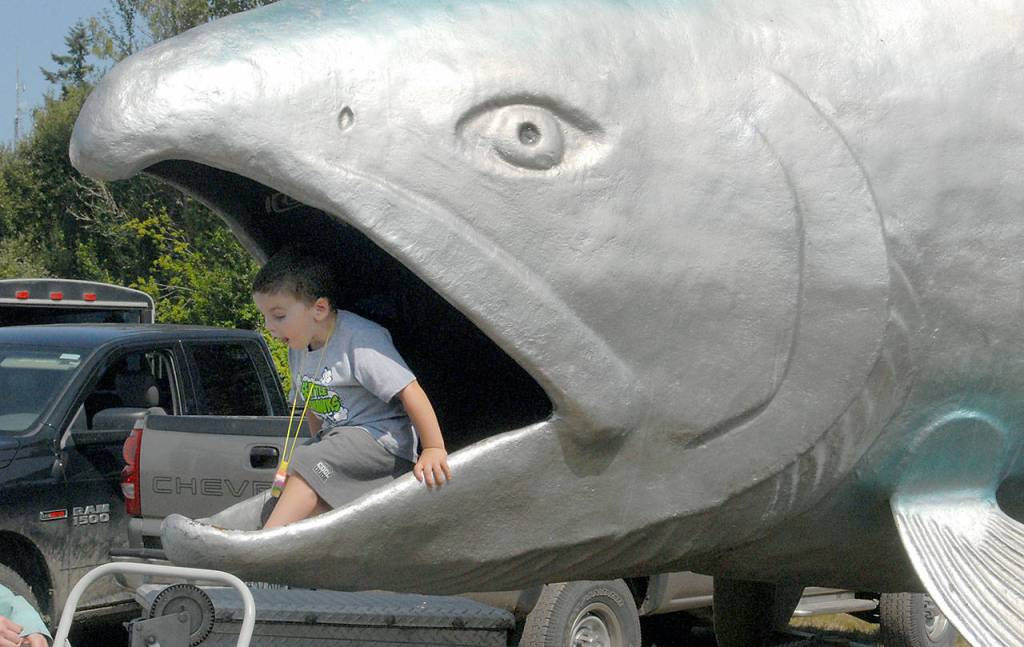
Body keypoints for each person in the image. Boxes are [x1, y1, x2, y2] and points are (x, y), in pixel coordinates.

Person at [252, 246, 452, 528]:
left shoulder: (359, 338)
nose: (269, 327)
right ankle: (276, 533)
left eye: (279, 316)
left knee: (309, 461)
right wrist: (318, 443)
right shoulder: (298, 346)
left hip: (382, 444)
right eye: (265, 317)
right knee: (297, 474)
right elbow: (313, 405)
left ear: (319, 309)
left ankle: (266, 541)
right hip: (341, 445)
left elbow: (410, 390)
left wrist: (433, 448)